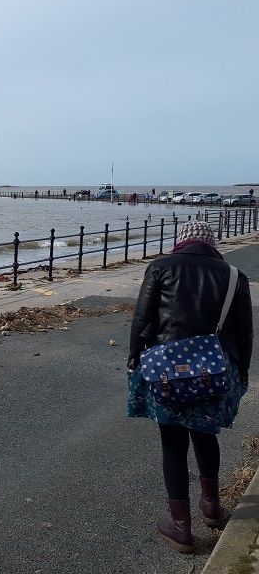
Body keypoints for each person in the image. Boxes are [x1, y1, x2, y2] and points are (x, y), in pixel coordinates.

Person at [127, 220, 253, 553]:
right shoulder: (233, 275)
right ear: (212, 243)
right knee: (205, 434)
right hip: (213, 369)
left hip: (169, 370)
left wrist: (133, 358)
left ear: (181, 240)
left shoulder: (160, 267)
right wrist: (243, 371)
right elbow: (245, 330)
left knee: (173, 442)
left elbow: (142, 319)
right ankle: (211, 508)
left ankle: (181, 527)